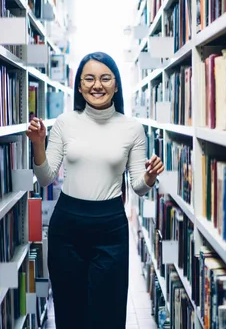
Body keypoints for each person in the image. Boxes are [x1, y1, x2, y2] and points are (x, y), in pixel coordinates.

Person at [26, 51, 165, 329]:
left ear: (116, 85)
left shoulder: (133, 128)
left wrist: (149, 177)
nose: (96, 85)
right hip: (66, 227)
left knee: (108, 314)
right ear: (79, 85)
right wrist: (39, 144)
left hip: (110, 228)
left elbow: (138, 187)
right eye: (89, 78)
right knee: (69, 312)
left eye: (105, 78)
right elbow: (45, 177)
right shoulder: (65, 123)